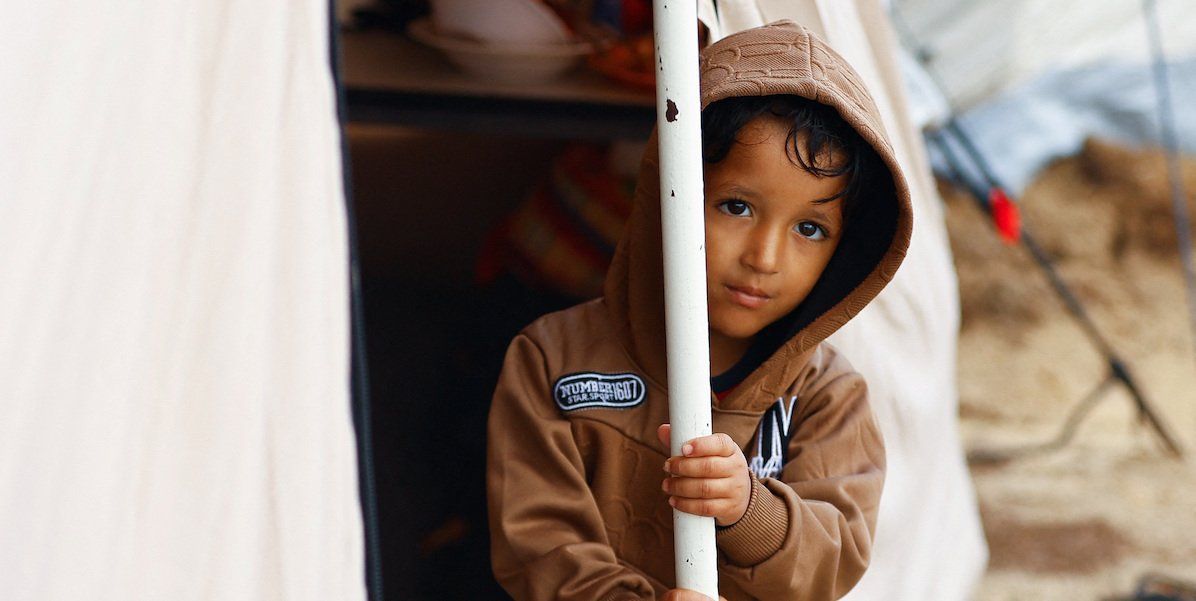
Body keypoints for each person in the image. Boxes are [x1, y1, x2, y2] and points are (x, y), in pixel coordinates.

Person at [486, 20, 911, 601]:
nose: (765, 257)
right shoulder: (553, 360)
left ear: (847, 247)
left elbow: (831, 560)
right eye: (736, 206)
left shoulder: (826, 397)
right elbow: (538, 543)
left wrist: (749, 511)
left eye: (810, 228)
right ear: (671, 194)